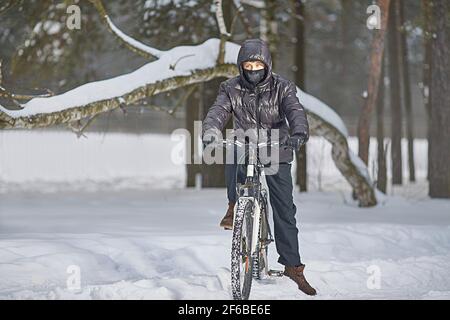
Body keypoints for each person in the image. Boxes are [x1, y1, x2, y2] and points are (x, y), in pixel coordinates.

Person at [201, 38, 316, 296]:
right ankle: (235, 206)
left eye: (257, 64)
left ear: (267, 64)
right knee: (233, 150)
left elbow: (295, 111)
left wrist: (298, 132)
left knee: (284, 209)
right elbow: (218, 111)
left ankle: (292, 267)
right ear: (241, 66)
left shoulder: (283, 87)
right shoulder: (230, 87)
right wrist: (210, 130)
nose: (253, 69)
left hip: (276, 147)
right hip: (245, 143)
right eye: (248, 64)